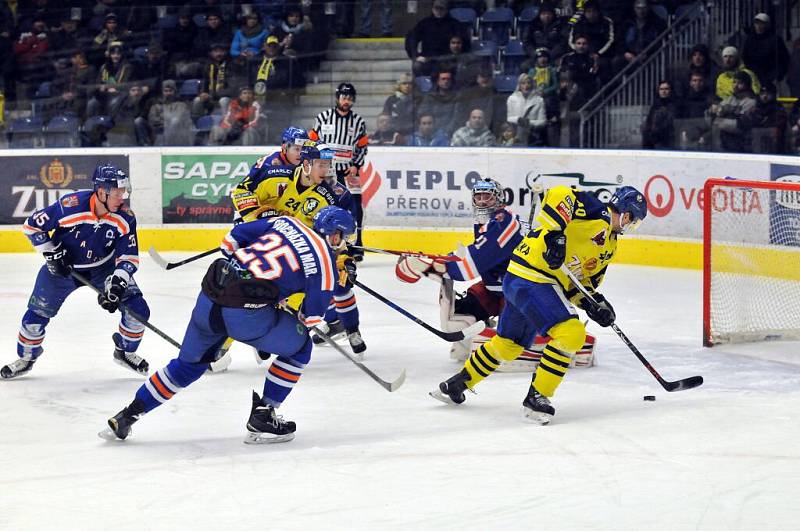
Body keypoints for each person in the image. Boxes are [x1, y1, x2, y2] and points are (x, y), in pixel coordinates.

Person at [99, 206, 356, 443]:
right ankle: (264, 414)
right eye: (344, 238)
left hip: (210, 297)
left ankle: (126, 416)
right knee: (300, 348)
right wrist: (284, 299)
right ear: (334, 235)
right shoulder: (325, 264)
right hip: (245, 316)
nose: (344, 244)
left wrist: (252, 277)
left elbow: (230, 241)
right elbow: (311, 317)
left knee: (187, 366)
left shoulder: (286, 222)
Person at [430, 185, 648, 424]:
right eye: (633, 221)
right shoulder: (598, 211)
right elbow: (560, 193)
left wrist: (594, 303)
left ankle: (457, 384)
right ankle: (537, 396)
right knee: (572, 334)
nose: (631, 226)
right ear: (626, 214)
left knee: (508, 344)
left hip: (525, 281)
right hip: (532, 277)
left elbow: (578, 283)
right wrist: (555, 234)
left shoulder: (609, 247)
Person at [396, 178, 596, 369]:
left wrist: (429, 266)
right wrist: (433, 261)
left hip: (526, 292)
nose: (482, 201)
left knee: (508, 337)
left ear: (499, 199)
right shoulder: (489, 222)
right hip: (500, 290)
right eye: (478, 196)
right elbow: (475, 255)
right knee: (459, 316)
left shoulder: (502, 222)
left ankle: (553, 340)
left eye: (488, 197)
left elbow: (469, 267)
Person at [2, 165, 150, 380]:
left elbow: (128, 255)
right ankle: (26, 358)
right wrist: (52, 253)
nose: (122, 198)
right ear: (101, 192)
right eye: (118, 193)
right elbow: (31, 226)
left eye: (124, 192)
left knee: (138, 310)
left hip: (104, 269)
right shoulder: (69, 206)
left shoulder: (125, 217)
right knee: (36, 316)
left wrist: (117, 282)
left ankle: (125, 352)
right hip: (62, 271)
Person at [229, 141, 366, 355]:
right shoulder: (275, 176)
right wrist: (257, 215)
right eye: (320, 164)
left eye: (328, 165)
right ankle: (220, 346)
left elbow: (338, 234)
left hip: (295, 254)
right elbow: (241, 192)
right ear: (306, 164)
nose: (326, 170)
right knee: (239, 289)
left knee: (289, 296)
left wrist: (342, 259)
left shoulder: (332, 196)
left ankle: (269, 338)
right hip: (264, 242)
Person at [309, 82, 369, 254]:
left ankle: (356, 243)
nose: (346, 101)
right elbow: (312, 141)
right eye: (344, 97)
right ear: (337, 98)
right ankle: (324, 240)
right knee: (325, 203)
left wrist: (356, 164)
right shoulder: (323, 117)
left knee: (356, 205)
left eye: (350, 98)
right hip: (326, 172)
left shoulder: (358, 122)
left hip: (347, 171)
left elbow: (362, 146)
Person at [405, 0, 470, 76]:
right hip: (428, 60)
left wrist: (458, 55)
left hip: (449, 59)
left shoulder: (455, 25)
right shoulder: (424, 23)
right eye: (436, 8)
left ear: (446, 10)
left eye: (441, 9)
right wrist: (415, 55)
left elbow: (466, 42)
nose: (439, 11)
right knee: (417, 66)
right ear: (432, 9)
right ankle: (419, 87)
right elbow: (411, 39)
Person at [506, 73, 547, 146]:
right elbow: (508, 118)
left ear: (532, 84)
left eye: (528, 83)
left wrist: (528, 123)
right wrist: (518, 119)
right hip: (516, 137)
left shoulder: (539, 100)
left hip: (533, 138)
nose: (526, 86)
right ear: (519, 85)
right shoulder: (511, 99)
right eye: (523, 83)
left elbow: (542, 122)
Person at [641, 80, 677, 149]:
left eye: (666, 89)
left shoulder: (674, 105)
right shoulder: (655, 105)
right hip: (653, 141)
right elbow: (649, 122)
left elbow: (669, 123)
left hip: (667, 140)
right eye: (661, 89)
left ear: (670, 90)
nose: (663, 91)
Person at [382, 72, 416, 136]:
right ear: (399, 85)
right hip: (393, 133)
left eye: (410, 83)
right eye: (404, 83)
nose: (407, 86)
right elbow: (386, 117)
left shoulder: (416, 100)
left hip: (411, 134)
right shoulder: (391, 100)